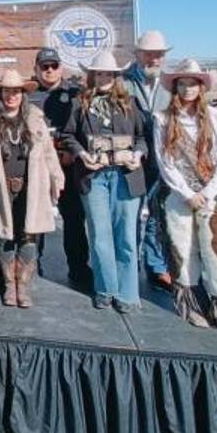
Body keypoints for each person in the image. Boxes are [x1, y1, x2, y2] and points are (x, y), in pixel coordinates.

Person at [153, 60, 217, 335]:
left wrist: (206, 192)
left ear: (202, 86)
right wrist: (186, 192)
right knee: (183, 249)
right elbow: (165, 161)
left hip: (214, 194)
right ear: (175, 87)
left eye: (193, 83)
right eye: (182, 83)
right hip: (178, 194)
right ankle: (193, 305)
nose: (188, 88)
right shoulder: (162, 119)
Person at [0, 69, 62, 308]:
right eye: (7, 91)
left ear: (22, 93)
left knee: (28, 235)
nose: (11, 96)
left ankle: (23, 285)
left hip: (31, 186)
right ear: (1, 93)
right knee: (4, 236)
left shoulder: (35, 118)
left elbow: (49, 153)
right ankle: (9, 285)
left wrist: (56, 179)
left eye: (16, 91)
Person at [63, 51, 147, 313]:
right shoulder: (80, 103)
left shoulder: (130, 103)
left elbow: (143, 137)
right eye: (99, 73)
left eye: (108, 73)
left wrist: (137, 154)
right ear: (92, 75)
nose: (103, 78)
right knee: (100, 234)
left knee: (125, 236)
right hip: (94, 176)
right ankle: (105, 289)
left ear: (116, 76)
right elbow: (68, 135)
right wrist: (82, 154)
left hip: (125, 175)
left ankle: (128, 294)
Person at [29, 47, 91, 288]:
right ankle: (33, 265)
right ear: (36, 69)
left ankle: (78, 268)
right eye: (44, 67)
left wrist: (71, 153)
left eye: (54, 66)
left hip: (68, 166)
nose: (49, 71)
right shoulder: (29, 95)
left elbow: (83, 131)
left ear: (61, 68)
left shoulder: (76, 93)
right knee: (36, 218)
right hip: (39, 167)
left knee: (74, 220)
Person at [120, 31, 173, 291]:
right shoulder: (122, 82)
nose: (155, 59)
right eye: (150, 54)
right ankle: (129, 265)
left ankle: (156, 266)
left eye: (159, 54)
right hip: (132, 160)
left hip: (163, 161)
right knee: (129, 215)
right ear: (137, 54)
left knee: (156, 215)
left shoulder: (171, 84)